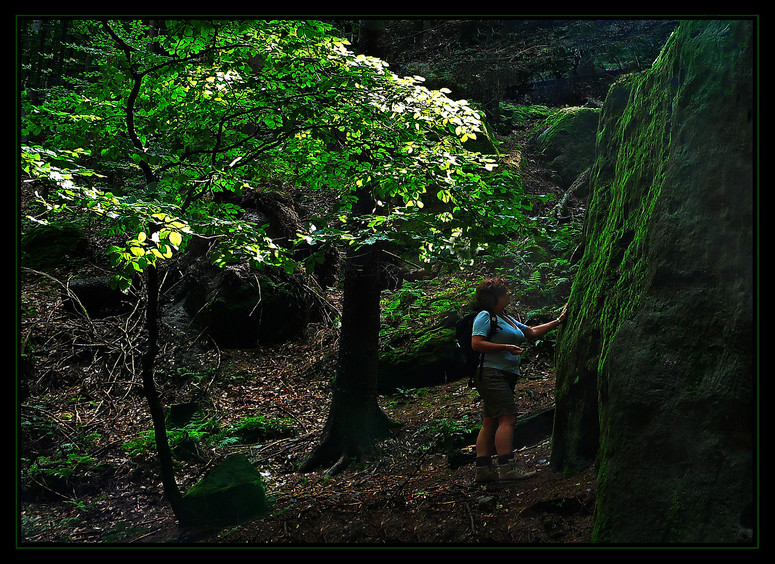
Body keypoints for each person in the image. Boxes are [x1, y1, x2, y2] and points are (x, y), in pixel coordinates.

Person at [470, 276, 567, 483]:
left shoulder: (507, 318)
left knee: (490, 421)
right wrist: (505, 347)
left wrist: (559, 321)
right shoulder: (485, 317)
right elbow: (476, 343)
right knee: (508, 418)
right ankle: (507, 468)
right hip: (491, 373)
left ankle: (483, 470)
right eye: (505, 291)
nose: (509, 294)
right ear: (495, 296)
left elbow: (531, 332)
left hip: (504, 375)